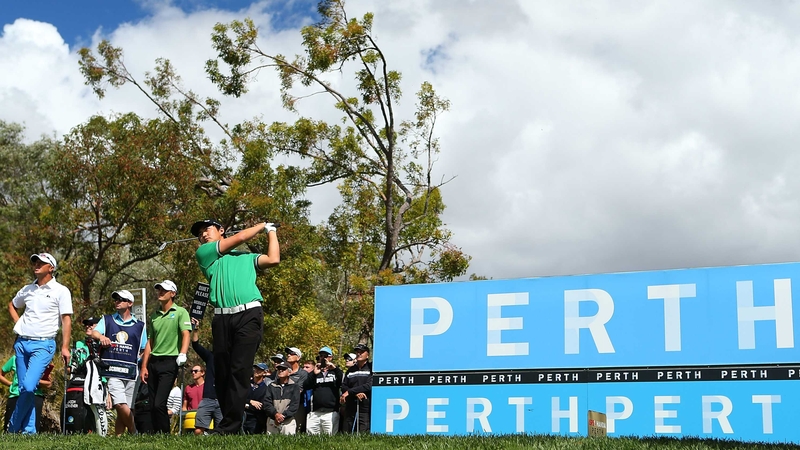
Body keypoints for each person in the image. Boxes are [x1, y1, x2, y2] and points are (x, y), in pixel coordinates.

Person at [191, 219, 280, 434]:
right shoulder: (205, 254)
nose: (203, 235)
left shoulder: (246, 257)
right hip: (222, 318)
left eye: (207, 230)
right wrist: (261, 225)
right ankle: (230, 423)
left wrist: (271, 231)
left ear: (221, 231)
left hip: (249, 314)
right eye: (200, 233)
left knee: (240, 369)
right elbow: (240, 237)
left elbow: (273, 259)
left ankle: (228, 427)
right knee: (223, 374)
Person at [7, 252, 73, 434]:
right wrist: (19, 324)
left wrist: (65, 347)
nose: (36, 264)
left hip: (43, 345)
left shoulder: (61, 291)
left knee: (29, 386)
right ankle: (29, 431)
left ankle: (12, 427)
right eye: (35, 262)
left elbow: (66, 320)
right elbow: (12, 305)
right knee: (24, 389)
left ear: (51, 268)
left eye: (41, 262)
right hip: (22, 344)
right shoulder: (27, 289)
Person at [91, 289, 147, 435]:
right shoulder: (107, 319)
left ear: (130, 303)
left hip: (131, 371)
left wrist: (142, 363)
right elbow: (94, 332)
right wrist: (101, 337)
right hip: (113, 369)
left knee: (127, 406)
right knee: (120, 404)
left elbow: (144, 347)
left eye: (121, 299)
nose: (117, 302)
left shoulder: (140, 326)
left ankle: (118, 437)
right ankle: (134, 431)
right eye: (116, 299)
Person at [140, 280, 191, 434]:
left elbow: (186, 334)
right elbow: (150, 342)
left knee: (159, 403)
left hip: (170, 361)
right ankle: (157, 434)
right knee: (152, 404)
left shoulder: (180, 312)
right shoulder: (154, 315)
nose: (160, 292)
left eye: (164, 290)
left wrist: (183, 353)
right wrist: (144, 366)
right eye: (159, 290)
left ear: (172, 293)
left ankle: (164, 435)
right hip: (153, 362)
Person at [0, 356, 52, 433]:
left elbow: (49, 384)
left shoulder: (40, 359)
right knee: (10, 428)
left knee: (32, 428)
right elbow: (1, 374)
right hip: (16, 395)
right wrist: (9, 383)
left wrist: (32, 381)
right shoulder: (15, 358)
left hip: (35, 395)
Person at [189, 318, 222, 435]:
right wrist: (196, 329)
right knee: (198, 431)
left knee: (223, 433)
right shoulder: (210, 356)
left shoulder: (230, 359)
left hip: (223, 401)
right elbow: (196, 345)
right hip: (208, 399)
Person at [306, 346, 342, 435]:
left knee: (330, 438)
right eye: (321, 356)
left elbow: (342, 381)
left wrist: (335, 368)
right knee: (311, 438)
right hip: (315, 412)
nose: (322, 358)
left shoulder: (335, 372)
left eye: (325, 356)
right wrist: (314, 373)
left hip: (331, 412)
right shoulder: (315, 373)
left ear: (330, 358)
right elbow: (306, 386)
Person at [340, 343, 372, 433]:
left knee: (363, 432)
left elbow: (369, 385)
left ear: (368, 355)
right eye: (357, 352)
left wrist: (350, 392)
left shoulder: (371, 368)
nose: (359, 353)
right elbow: (344, 386)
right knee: (347, 432)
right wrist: (355, 393)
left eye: (362, 352)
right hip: (350, 405)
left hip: (365, 405)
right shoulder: (351, 370)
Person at [264, 360, 300, 435]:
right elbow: (267, 403)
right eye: (279, 369)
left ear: (289, 372)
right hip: (272, 420)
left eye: (283, 369)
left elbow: (294, 405)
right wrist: (275, 414)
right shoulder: (271, 386)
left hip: (288, 421)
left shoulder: (295, 387)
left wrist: (283, 416)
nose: (280, 370)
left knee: (289, 442)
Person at [284, 347, 310, 433]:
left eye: (292, 353)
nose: (288, 355)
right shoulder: (281, 371)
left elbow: (298, 391)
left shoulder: (303, 373)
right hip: (281, 405)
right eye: (288, 353)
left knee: (296, 431)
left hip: (297, 406)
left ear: (298, 358)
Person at [243, 363, 269, 434]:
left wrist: (245, 404)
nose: (256, 371)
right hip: (242, 416)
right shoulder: (246, 385)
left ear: (264, 373)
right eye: (256, 369)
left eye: (259, 370)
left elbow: (260, 406)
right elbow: (239, 398)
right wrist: (250, 401)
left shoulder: (265, 389)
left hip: (255, 420)